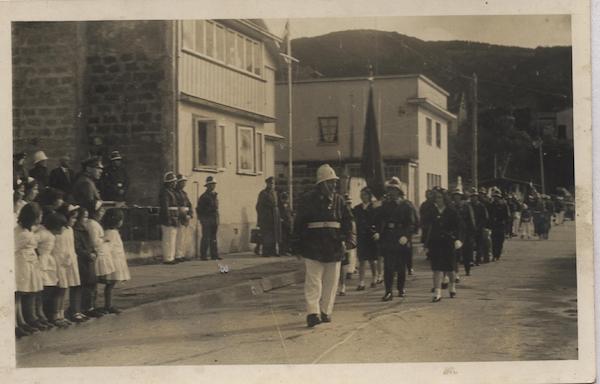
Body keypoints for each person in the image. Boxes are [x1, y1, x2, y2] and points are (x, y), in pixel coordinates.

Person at [293, 164, 356, 327]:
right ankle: (312, 312)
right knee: (313, 281)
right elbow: (299, 224)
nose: (334, 185)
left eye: (334, 182)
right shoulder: (307, 200)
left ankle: (325, 311)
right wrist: (297, 246)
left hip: (335, 245)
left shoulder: (340, 201)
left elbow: (349, 222)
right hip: (313, 246)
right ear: (321, 184)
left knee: (331, 281)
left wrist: (349, 239)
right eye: (330, 182)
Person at [372, 177, 415, 301]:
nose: (391, 192)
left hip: (401, 237)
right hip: (388, 237)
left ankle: (401, 288)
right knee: (388, 267)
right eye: (390, 189)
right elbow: (377, 220)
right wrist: (378, 231)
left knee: (401, 267)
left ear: (399, 191)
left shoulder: (406, 205)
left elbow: (411, 224)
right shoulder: (385, 205)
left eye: (394, 189)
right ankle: (388, 291)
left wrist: (406, 236)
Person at [426, 189, 462, 302]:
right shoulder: (432, 211)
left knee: (450, 268)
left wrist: (458, 239)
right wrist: (426, 243)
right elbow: (428, 228)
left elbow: (459, 227)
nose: (438, 200)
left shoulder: (452, 211)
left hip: (448, 242)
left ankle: (452, 285)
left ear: (445, 199)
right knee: (436, 268)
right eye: (436, 197)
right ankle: (437, 292)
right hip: (436, 243)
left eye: (440, 197)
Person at [15, 203, 45, 337]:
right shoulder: (22, 234)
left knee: (27, 292)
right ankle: (17, 323)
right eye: (39, 215)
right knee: (18, 294)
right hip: (21, 264)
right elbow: (13, 248)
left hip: (29, 264)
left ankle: (24, 321)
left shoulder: (28, 231)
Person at [38, 212, 67, 327]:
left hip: (50, 263)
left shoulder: (52, 235)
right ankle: (43, 315)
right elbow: (33, 241)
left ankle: (46, 314)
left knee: (49, 288)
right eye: (61, 226)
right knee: (43, 290)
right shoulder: (44, 234)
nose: (63, 229)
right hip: (43, 263)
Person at [73, 208, 103, 319]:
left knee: (91, 284)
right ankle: (81, 308)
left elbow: (91, 244)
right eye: (83, 217)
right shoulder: (76, 231)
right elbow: (77, 247)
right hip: (82, 260)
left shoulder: (85, 229)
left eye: (86, 217)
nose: (85, 219)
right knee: (83, 285)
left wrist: (94, 252)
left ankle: (90, 307)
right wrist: (88, 254)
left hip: (89, 260)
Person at [55, 204, 82, 325]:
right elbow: (58, 248)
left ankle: (62, 314)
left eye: (76, 218)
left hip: (70, 261)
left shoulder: (70, 230)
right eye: (73, 218)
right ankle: (57, 315)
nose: (74, 220)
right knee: (60, 289)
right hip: (61, 263)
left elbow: (71, 247)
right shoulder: (59, 230)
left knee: (65, 288)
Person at [102, 208, 131, 314]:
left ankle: (108, 304)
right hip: (114, 261)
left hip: (117, 259)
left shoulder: (113, 232)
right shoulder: (111, 233)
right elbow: (109, 247)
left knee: (111, 284)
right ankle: (108, 305)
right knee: (110, 284)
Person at [352, 187, 378, 290]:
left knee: (372, 259)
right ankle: (361, 281)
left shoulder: (374, 208)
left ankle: (374, 278)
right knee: (362, 260)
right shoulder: (357, 208)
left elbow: (379, 221)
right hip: (362, 236)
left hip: (371, 236)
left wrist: (377, 232)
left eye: (365, 194)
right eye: (361, 195)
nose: (363, 197)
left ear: (369, 196)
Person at [196, 176, 221, 260]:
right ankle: (203, 255)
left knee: (213, 237)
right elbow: (199, 209)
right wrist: (203, 219)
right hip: (207, 219)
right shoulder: (204, 197)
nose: (213, 186)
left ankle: (214, 255)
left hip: (214, 218)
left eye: (214, 184)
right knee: (206, 237)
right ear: (207, 186)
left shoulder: (215, 195)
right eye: (211, 184)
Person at [256, 177, 281, 257]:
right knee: (267, 234)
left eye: (273, 183)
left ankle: (273, 251)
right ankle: (266, 251)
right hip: (267, 216)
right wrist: (262, 216)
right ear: (267, 184)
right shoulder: (263, 193)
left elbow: (278, 204)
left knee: (275, 234)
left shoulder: (275, 193)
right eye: (270, 183)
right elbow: (259, 206)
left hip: (275, 215)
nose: (272, 185)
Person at [159, 171, 180, 264]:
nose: (175, 183)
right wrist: (168, 218)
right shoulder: (165, 192)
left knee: (172, 238)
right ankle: (168, 258)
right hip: (168, 218)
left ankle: (171, 257)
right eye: (173, 181)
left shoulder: (171, 192)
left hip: (173, 217)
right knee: (168, 239)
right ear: (169, 182)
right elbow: (165, 207)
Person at [174, 174, 193, 262]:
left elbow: (189, 204)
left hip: (186, 217)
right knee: (179, 236)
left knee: (183, 237)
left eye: (184, 182)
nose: (184, 184)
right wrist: (182, 214)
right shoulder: (174, 193)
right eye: (182, 182)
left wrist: (190, 214)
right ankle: (177, 255)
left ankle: (181, 254)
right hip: (180, 216)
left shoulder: (184, 193)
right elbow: (176, 205)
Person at [489, 190, 510, 261]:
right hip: (494, 225)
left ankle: (498, 254)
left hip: (501, 225)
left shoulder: (504, 205)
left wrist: (507, 227)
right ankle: (494, 255)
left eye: (497, 197)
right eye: (494, 196)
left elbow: (507, 216)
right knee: (494, 241)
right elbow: (489, 215)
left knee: (500, 241)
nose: (496, 198)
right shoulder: (491, 205)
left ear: (500, 197)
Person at [470, 188, 489, 266]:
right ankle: (471, 260)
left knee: (479, 244)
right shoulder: (469, 205)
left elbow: (485, 217)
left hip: (479, 227)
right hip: (470, 227)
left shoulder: (481, 206)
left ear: (477, 197)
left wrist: (480, 225)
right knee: (470, 244)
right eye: (472, 196)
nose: (474, 198)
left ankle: (477, 260)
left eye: (475, 196)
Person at [278, 192, 293, 256]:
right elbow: (279, 214)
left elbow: (290, 213)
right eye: (284, 199)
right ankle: (282, 251)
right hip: (283, 223)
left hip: (288, 223)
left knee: (288, 237)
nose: (286, 200)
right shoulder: (279, 206)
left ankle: (287, 250)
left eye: (286, 199)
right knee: (283, 237)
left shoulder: (288, 205)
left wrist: (291, 219)